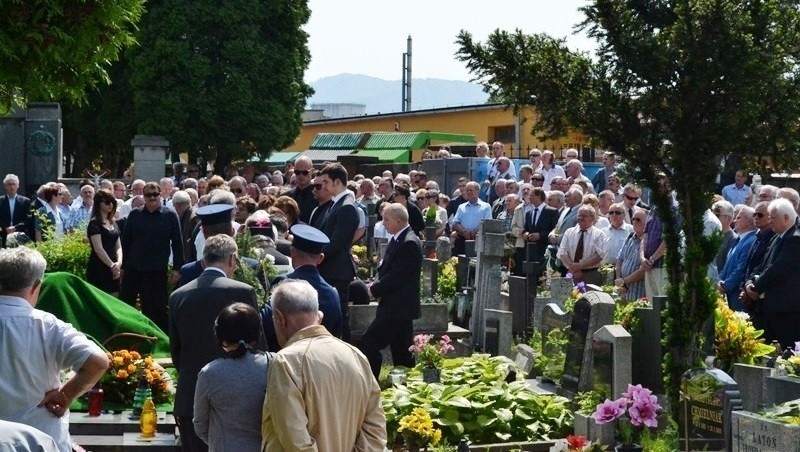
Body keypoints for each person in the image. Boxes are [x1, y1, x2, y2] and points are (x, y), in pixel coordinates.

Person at [0, 247, 108, 452]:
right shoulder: (48, 325)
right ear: (36, 286)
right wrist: (66, 395)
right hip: (41, 440)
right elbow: (98, 361)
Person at [261, 280, 387, 451]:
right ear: (318, 316)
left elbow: (296, 442)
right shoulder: (356, 356)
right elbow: (376, 431)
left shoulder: (286, 362)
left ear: (279, 318)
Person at [169, 234, 262, 452]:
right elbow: (257, 346)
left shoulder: (178, 296)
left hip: (190, 395)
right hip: (239, 397)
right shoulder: (243, 291)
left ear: (203, 262)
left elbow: (176, 353)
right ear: (232, 259)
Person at [193, 303, 274, 452]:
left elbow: (200, 424)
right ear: (257, 332)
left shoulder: (209, 373)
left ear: (220, 334)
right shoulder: (274, 364)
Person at [360, 203, 422, 379]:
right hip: (395, 307)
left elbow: (398, 276)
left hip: (397, 308)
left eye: (386, 219)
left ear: (398, 220)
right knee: (401, 352)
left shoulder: (409, 242)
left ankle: (372, 382)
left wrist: (374, 290)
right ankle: (404, 386)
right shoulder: (398, 238)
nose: (383, 222)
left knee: (369, 343)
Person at [261, 224, 342, 350]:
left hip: (285, 360)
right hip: (319, 359)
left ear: (292, 253)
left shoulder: (283, 285)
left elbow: (266, 324)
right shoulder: (332, 293)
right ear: (320, 259)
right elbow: (337, 334)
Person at [120, 182, 184, 331]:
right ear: (143, 196)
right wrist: (122, 266)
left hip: (156, 271)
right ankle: (125, 336)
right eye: (148, 195)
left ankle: (158, 341)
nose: (152, 198)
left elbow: (177, 244)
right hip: (133, 269)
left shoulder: (170, 215)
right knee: (126, 306)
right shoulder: (135, 214)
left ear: (160, 195)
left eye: (155, 194)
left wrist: (177, 268)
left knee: (156, 310)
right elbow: (125, 242)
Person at [310, 163, 359, 341]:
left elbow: (337, 242)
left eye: (326, 182)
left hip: (337, 270)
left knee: (339, 317)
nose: (322, 186)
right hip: (330, 268)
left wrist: (316, 257)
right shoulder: (335, 204)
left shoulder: (346, 206)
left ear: (337, 182)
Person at [745, 198, 800, 348]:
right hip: (769, 309)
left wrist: (756, 287)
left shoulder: (795, 239)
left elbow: (778, 268)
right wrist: (749, 283)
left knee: (786, 354)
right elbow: (761, 266)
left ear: (786, 218)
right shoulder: (776, 237)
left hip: (787, 311)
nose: (770, 222)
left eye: (773, 218)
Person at [717, 205, 756, 311]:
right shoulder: (739, 240)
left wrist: (725, 286)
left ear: (749, 221)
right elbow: (727, 265)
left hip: (738, 297)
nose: (735, 220)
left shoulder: (750, 241)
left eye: (739, 218)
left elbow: (741, 268)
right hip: (730, 295)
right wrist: (719, 281)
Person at [557, 205, 607, 285]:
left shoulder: (599, 234)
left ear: (592, 218)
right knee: (569, 297)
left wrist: (580, 266)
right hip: (571, 273)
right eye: (579, 216)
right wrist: (573, 268)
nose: (580, 218)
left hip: (591, 275)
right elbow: (562, 252)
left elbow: (599, 255)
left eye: (584, 216)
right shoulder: (569, 232)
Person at [86, 189, 122, 296]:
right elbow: (98, 249)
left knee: (115, 298)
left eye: (112, 202)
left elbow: (119, 246)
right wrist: (112, 266)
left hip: (114, 267)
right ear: (99, 204)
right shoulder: (94, 224)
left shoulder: (113, 223)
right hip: (99, 267)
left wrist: (118, 264)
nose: (110, 204)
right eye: (107, 202)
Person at [614, 208, 648, 301]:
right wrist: (619, 280)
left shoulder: (648, 243)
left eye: (638, 220)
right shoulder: (629, 238)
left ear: (647, 222)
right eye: (633, 219)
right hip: (624, 292)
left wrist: (624, 282)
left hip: (638, 294)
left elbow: (644, 270)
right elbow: (619, 260)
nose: (635, 222)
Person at [451, 181, 492, 255]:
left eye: (471, 190)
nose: (469, 192)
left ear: (477, 191)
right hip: (462, 240)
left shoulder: (486, 206)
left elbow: (487, 222)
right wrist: (464, 232)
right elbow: (455, 223)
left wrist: (475, 232)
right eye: (467, 190)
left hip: (478, 240)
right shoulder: (461, 207)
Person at [0, 174, 32, 247]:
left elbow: (28, 218)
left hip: (19, 235)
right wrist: (5, 227)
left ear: (18, 186)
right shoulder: (0, 201)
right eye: (9, 184)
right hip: (3, 234)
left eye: (14, 184)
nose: (12, 186)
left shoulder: (25, 201)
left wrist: (15, 228)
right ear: (5, 186)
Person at [288, 156, 316, 223]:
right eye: (297, 172)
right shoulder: (288, 196)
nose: (301, 175)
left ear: (312, 171)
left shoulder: (318, 195)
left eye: (305, 172)